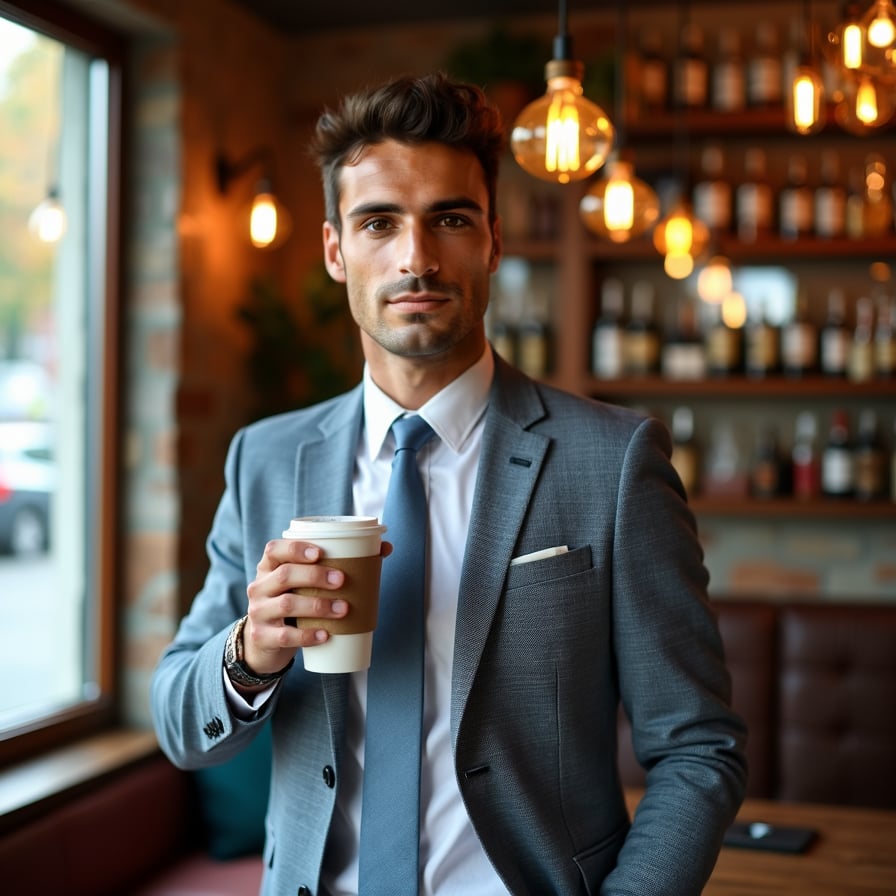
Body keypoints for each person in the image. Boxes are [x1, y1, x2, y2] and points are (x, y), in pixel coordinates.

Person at [151, 72, 746, 896]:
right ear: (335, 251)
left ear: (494, 240)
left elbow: (698, 747)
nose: (416, 258)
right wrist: (250, 655)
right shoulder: (265, 458)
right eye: (378, 223)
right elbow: (181, 724)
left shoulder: (613, 462)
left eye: (450, 220)